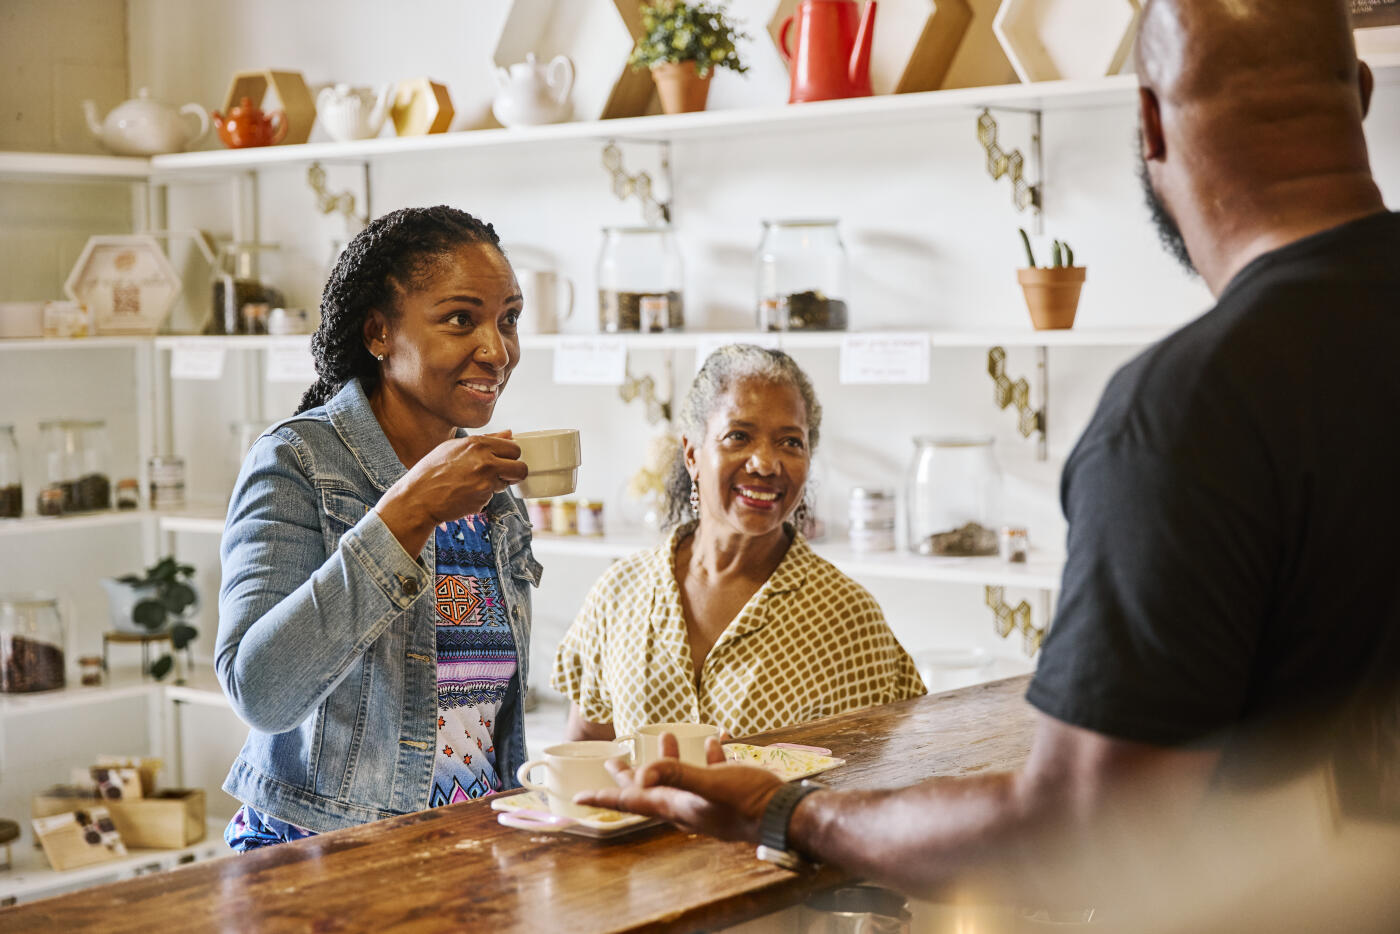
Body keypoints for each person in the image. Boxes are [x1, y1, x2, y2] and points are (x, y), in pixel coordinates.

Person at [581, 0, 1400, 898]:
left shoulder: (1195, 412)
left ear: (1151, 123)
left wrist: (783, 812)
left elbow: (1083, 830)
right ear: (1359, 94)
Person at [216, 205, 543, 850]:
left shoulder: (492, 491)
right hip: (319, 862)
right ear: (378, 332)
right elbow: (259, 691)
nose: (497, 350)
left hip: (462, 853)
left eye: (508, 320)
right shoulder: (297, 463)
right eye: (461, 319)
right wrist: (410, 512)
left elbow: (475, 712)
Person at [553, 344, 924, 741]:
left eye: (790, 442)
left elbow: (876, 783)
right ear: (692, 455)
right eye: (739, 436)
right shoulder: (620, 593)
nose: (765, 463)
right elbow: (586, 753)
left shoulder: (846, 617)